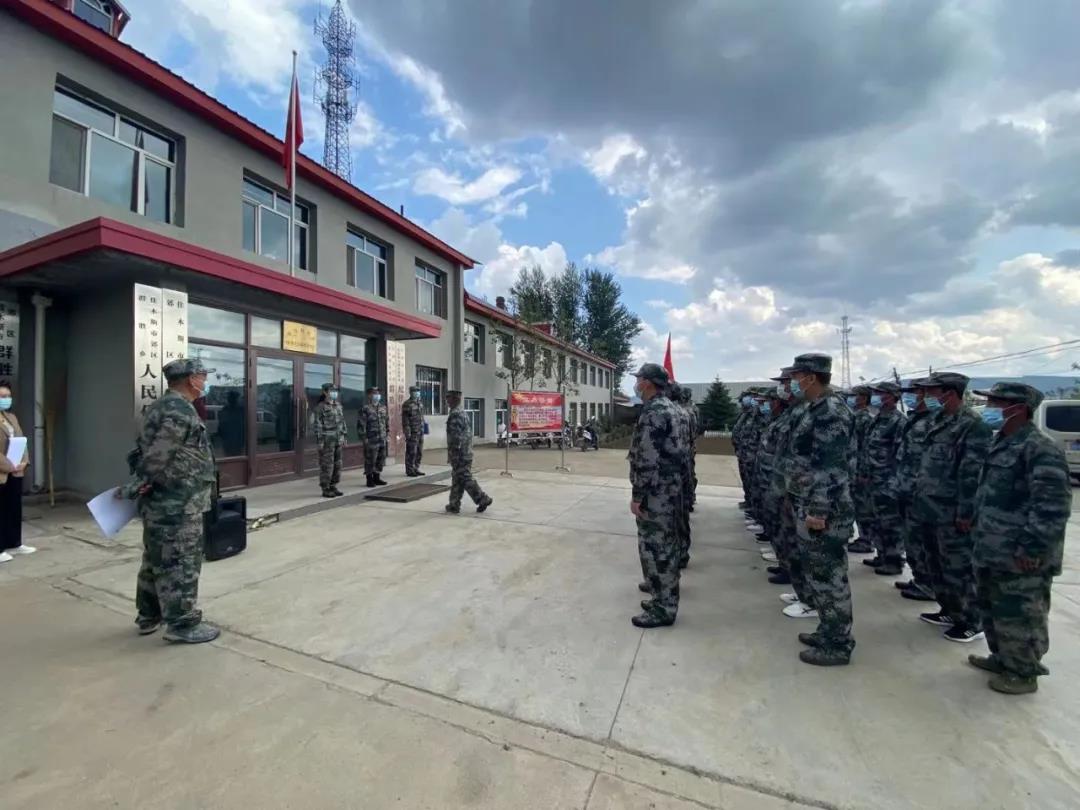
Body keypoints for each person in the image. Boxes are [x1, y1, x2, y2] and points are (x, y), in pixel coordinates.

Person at [968, 382, 1072, 694]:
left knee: (1021, 612)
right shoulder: (1001, 441)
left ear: (1019, 408)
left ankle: (1023, 672)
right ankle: (1002, 658)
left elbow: (1052, 506)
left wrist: (1033, 547)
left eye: (997, 402)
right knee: (994, 606)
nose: (991, 408)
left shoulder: (1040, 447)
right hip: (993, 544)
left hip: (1020, 549)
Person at [122, 358, 219, 644]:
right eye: (202, 377)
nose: (204, 382)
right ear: (191, 379)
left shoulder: (163, 406)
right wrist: (136, 485)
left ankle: (149, 615)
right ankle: (182, 624)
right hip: (177, 501)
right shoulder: (178, 410)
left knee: (156, 558)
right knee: (181, 562)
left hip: (165, 499)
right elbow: (158, 455)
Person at [910, 372, 992, 643]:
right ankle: (950, 610)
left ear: (950, 393)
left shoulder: (972, 425)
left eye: (932, 391)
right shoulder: (938, 420)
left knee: (959, 567)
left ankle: (972, 620)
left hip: (952, 510)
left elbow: (972, 474)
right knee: (936, 563)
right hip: (929, 506)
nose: (927, 396)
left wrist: (966, 512)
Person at [785, 353, 856, 666]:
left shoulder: (830, 412)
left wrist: (818, 511)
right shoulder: (816, 408)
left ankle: (838, 644)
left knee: (830, 577)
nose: (794, 381)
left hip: (826, 509)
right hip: (812, 502)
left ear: (811, 377)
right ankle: (828, 630)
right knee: (819, 574)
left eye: (797, 375)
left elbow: (830, 468)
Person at [629, 363, 684, 629]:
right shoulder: (669, 407)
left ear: (648, 383)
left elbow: (647, 458)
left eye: (639, 379)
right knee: (662, 547)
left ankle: (664, 608)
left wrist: (638, 494)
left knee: (657, 549)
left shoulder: (654, 412)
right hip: (667, 488)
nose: (636, 384)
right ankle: (661, 598)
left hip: (655, 492)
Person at [893, 379, 937, 602]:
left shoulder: (933, 422)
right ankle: (919, 578)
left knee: (922, 540)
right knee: (911, 537)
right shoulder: (914, 419)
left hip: (921, 491)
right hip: (906, 486)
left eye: (915, 391)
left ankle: (928, 584)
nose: (910, 396)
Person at [861, 382, 907, 576]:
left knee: (890, 523)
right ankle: (882, 554)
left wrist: (893, 481)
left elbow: (900, 454)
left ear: (893, 396)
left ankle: (894, 560)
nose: (879, 397)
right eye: (878, 393)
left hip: (888, 480)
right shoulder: (879, 418)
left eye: (882, 393)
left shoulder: (898, 421)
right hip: (874, 479)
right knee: (876, 519)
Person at [0, 382, 34, 563]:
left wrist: (24, 461)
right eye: (2, 396)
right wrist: (9, 466)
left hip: (16, 471)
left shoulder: (11, 417)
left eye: (8, 396)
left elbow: (22, 440)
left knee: (13, 509)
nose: (6, 399)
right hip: (4, 470)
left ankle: (14, 543)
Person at [444, 389, 493, 515]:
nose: (447, 400)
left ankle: (482, 498)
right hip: (466, 451)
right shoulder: (462, 412)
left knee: (464, 477)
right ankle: (454, 504)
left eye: (448, 398)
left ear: (454, 399)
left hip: (460, 453)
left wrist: (452, 454)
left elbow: (455, 438)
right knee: (457, 478)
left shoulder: (455, 414)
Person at [667, 384, 693, 570]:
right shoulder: (684, 413)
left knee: (671, 520)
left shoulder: (665, 412)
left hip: (669, 474)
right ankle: (683, 552)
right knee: (681, 515)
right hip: (683, 467)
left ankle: (676, 556)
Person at [849, 385, 876, 555]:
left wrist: (864, 471)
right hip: (852, 466)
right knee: (854, 504)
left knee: (863, 506)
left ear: (864, 398)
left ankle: (866, 540)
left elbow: (866, 446)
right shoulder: (854, 415)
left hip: (860, 467)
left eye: (855, 395)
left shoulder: (866, 418)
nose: (852, 398)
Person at [313, 382, 346, 498]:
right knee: (327, 465)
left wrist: (344, 436)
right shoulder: (320, 407)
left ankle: (333, 486)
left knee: (338, 465)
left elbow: (342, 422)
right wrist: (320, 441)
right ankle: (325, 488)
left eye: (335, 391)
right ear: (325, 392)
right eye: (331, 391)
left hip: (338, 439)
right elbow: (317, 425)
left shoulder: (338, 406)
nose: (334, 393)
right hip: (327, 441)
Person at [359, 387, 388, 488]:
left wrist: (387, 434)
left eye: (378, 393)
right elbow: (361, 424)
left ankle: (377, 477)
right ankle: (369, 479)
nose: (377, 395)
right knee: (370, 459)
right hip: (371, 438)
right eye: (375, 393)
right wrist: (364, 437)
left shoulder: (383, 408)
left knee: (381, 458)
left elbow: (386, 422)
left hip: (382, 438)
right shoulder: (365, 409)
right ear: (369, 395)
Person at [402, 385, 425, 477]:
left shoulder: (420, 403)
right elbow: (405, 420)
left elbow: (422, 417)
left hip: (420, 431)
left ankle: (416, 468)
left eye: (418, 391)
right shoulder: (407, 404)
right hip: (412, 432)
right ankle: (410, 470)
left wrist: (424, 428)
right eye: (415, 391)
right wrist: (407, 432)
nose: (417, 393)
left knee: (419, 451)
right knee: (411, 451)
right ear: (411, 393)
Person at [217, 390, 245, 457]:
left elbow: (221, 426)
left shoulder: (239, 410)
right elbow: (221, 425)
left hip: (233, 441)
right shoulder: (240, 410)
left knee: (232, 458)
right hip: (234, 441)